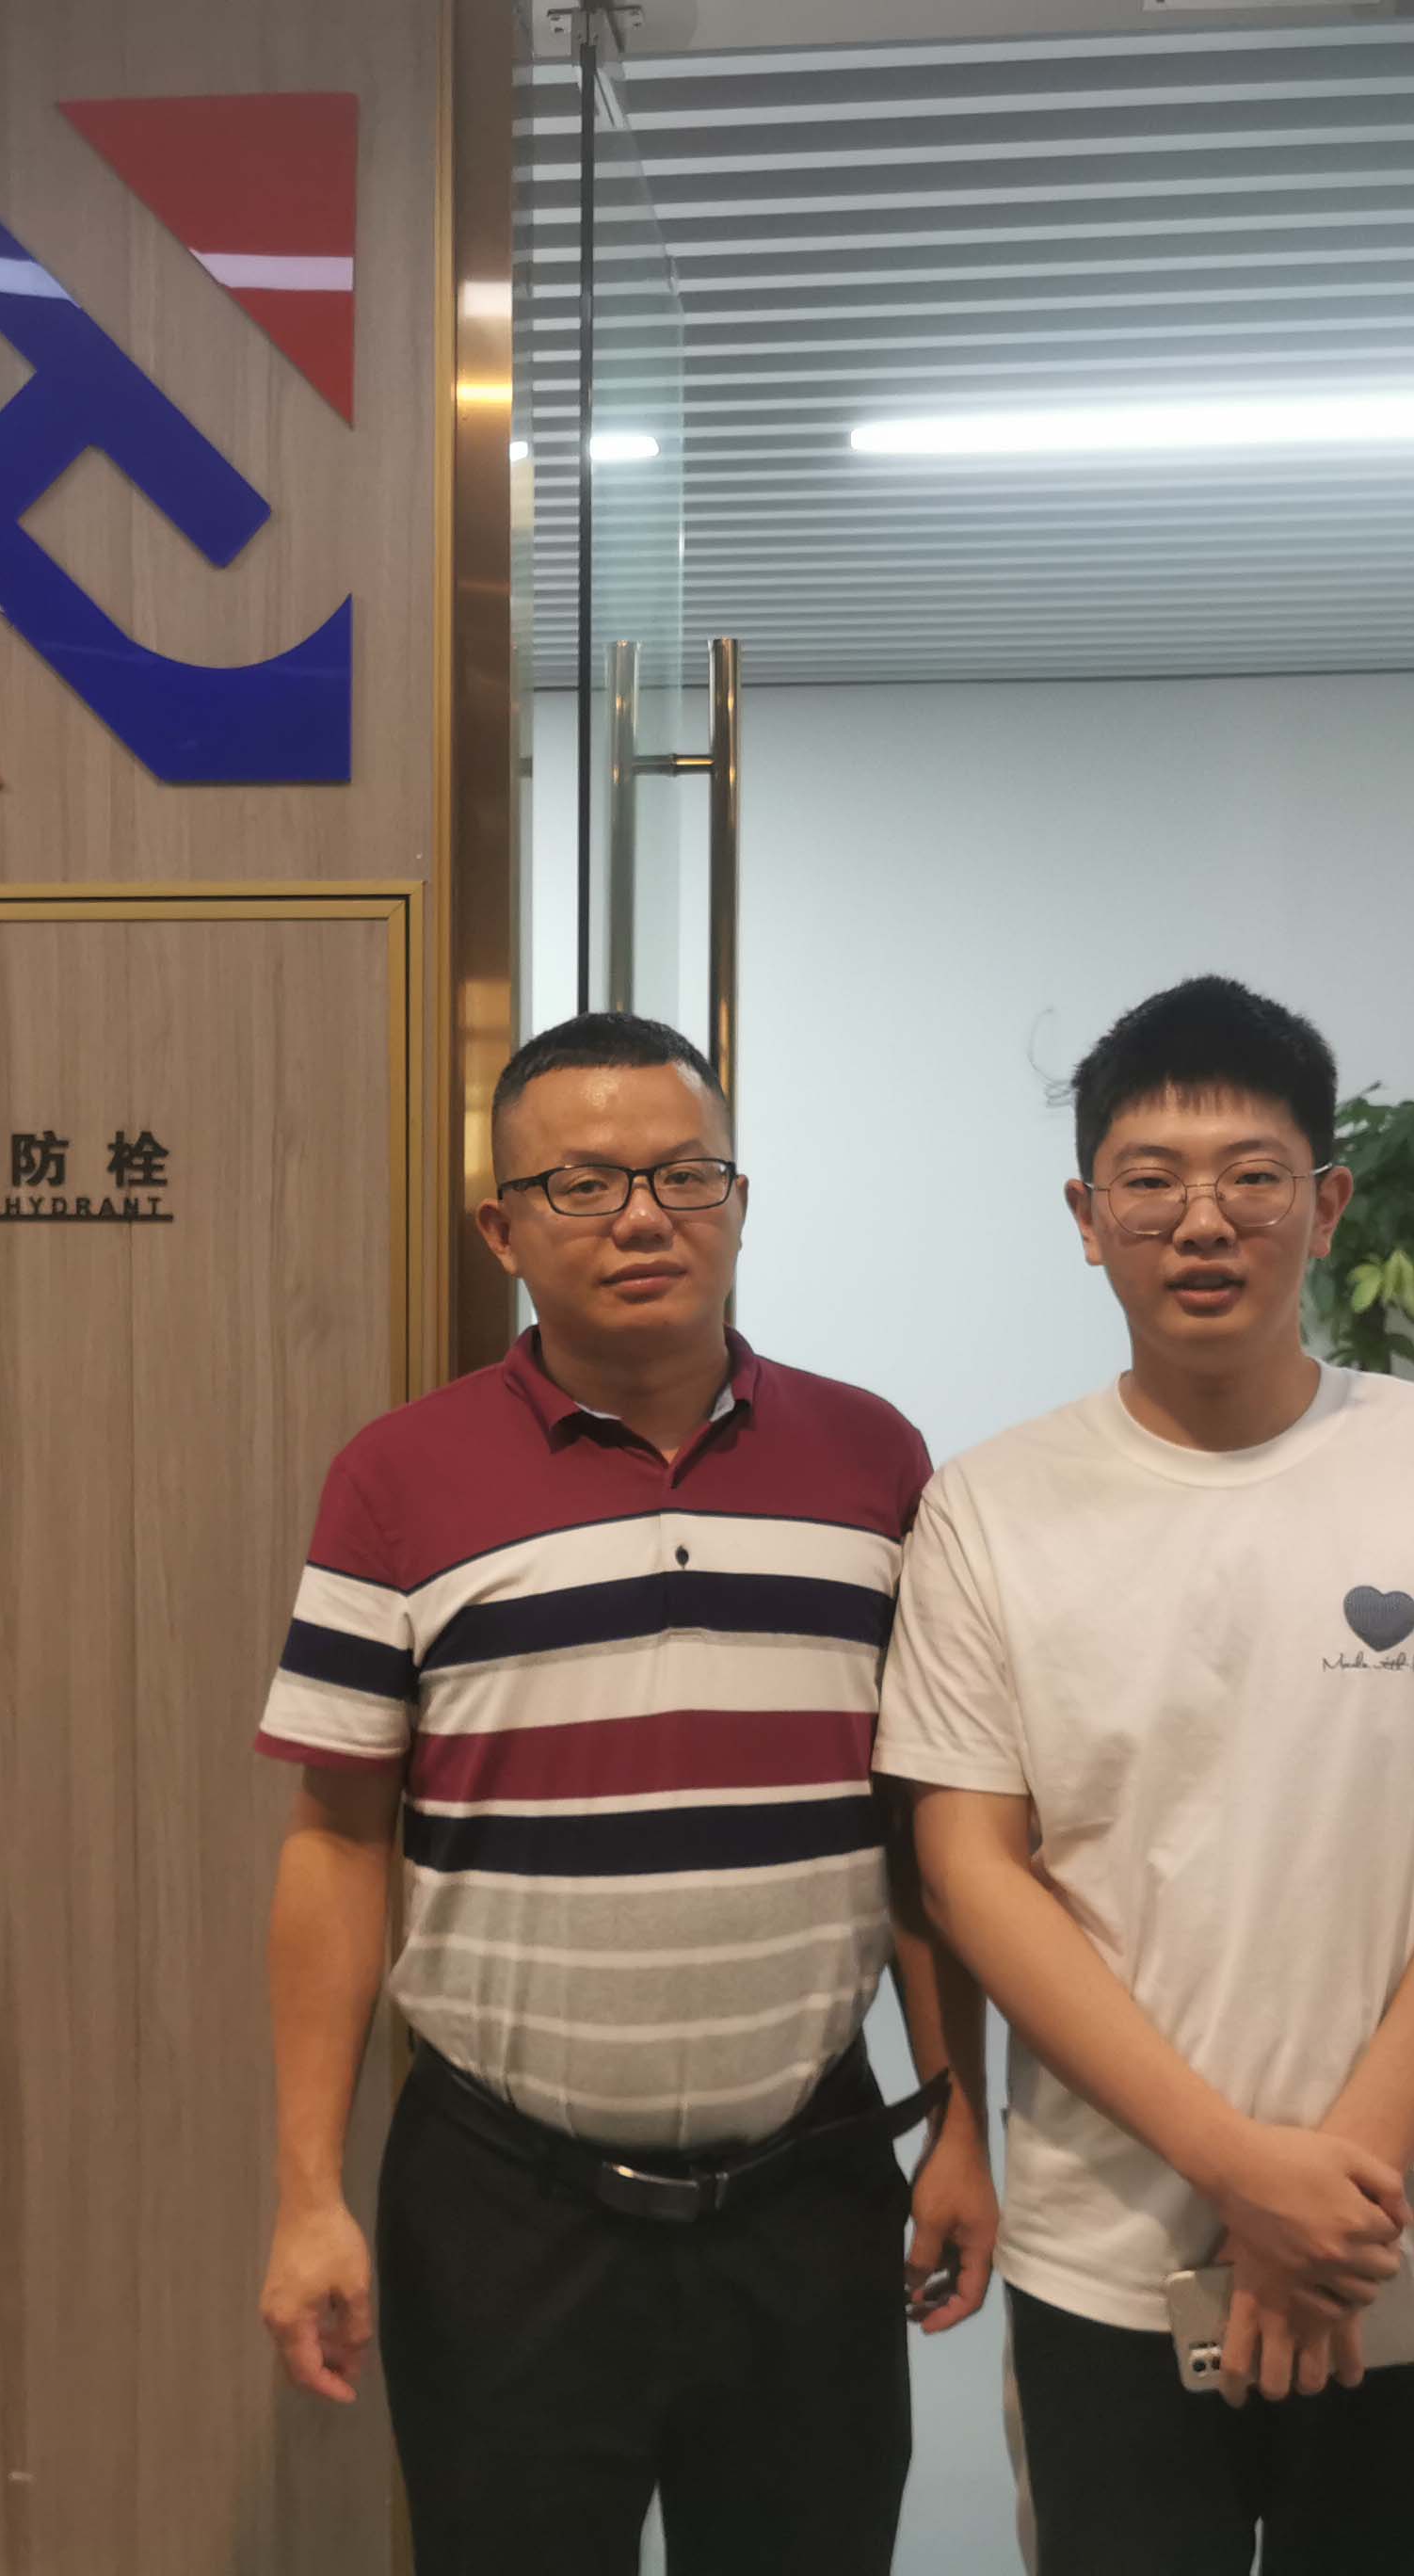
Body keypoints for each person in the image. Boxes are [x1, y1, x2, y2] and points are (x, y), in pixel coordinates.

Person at [877, 976, 1414, 2576]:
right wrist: (1243, 2173)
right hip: (1111, 2249)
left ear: (1328, 1203)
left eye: (1253, 1176)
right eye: (1151, 1181)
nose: (1204, 1221)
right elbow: (972, 1872)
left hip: (1411, 2240)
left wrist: (1328, 2200)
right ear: (1086, 1218)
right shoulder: (990, 1509)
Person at [253, 1009, 999, 2576]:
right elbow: (336, 1845)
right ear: (502, 1228)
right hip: (504, 2204)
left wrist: (956, 2124)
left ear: (740, 1196)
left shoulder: (875, 1462)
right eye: (584, 1184)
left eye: (686, 1175)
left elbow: (922, 1835)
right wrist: (308, 2192)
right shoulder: (397, 1477)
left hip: (808, 2184)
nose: (645, 1217)